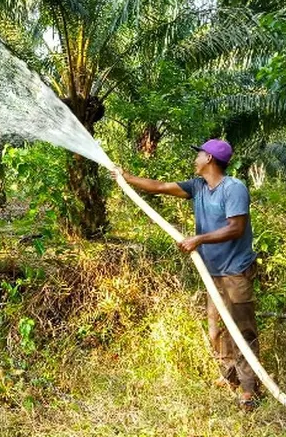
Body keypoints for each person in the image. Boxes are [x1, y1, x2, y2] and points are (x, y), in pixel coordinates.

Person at [111, 139, 260, 411]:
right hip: (213, 272)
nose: (196, 158)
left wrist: (198, 239)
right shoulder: (198, 187)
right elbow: (159, 187)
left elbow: (236, 228)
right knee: (216, 330)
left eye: (200, 154)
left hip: (235, 271)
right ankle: (230, 375)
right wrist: (126, 177)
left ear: (211, 160)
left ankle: (249, 390)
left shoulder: (233, 188)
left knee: (242, 330)